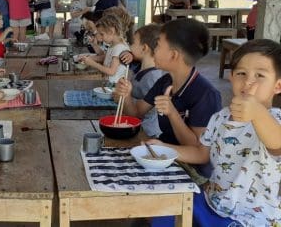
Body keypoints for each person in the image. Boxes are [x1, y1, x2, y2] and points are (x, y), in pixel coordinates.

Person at [149, 39, 281, 226]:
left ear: (278, 86)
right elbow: (203, 153)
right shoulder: (220, 117)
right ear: (232, 77)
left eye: (260, 75)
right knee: (164, 210)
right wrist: (165, 149)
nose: (248, 82)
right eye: (241, 73)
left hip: (251, 218)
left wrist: (257, 113)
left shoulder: (275, 120)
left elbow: (277, 143)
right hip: (212, 202)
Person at [116, 18, 222, 148]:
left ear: (173, 55)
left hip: (188, 165)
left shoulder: (206, 94)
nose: (154, 50)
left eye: (158, 45)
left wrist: (172, 113)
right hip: (163, 152)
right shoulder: (165, 82)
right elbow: (137, 114)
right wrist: (126, 95)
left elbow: (198, 148)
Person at [115, 24, 163, 137]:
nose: (129, 46)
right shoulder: (141, 67)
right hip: (136, 126)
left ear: (144, 48)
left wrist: (125, 95)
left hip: (146, 133)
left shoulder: (152, 78)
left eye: (133, 43)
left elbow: (137, 114)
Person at [79, 14, 129, 84]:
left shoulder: (119, 48)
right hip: (108, 83)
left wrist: (93, 64)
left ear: (111, 32)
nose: (100, 37)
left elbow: (111, 71)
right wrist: (94, 45)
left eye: (102, 34)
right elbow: (105, 56)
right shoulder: (113, 45)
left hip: (114, 86)